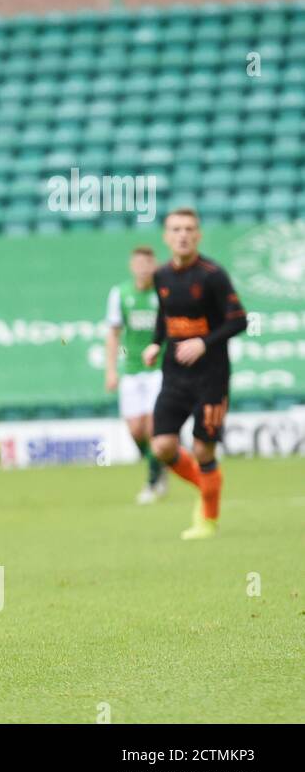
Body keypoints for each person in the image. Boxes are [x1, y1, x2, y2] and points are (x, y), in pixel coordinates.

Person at [142, 207, 247, 540]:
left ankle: (208, 519)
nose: (182, 235)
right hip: (174, 375)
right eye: (176, 229)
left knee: (203, 450)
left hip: (211, 376)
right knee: (161, 446)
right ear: (166, 237)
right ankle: (207, 488)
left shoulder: (213, 275)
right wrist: (156, 343)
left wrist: (205, 342)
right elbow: (164, 313)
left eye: (189, 229)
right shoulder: (161, 276)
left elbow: (239, 320)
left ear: (198, 235)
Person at [105, 246, 168, 504]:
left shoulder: (164, 292)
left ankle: (152, 483)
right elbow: (113, 333)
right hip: (130, 369)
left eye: (148, 263)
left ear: (154, 265)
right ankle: (159, 463)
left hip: (159, 368)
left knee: (154, 426)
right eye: (139, 263)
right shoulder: (120, 294)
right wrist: (110, 369)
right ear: (132, 266)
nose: (143, 268)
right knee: (135, 430)